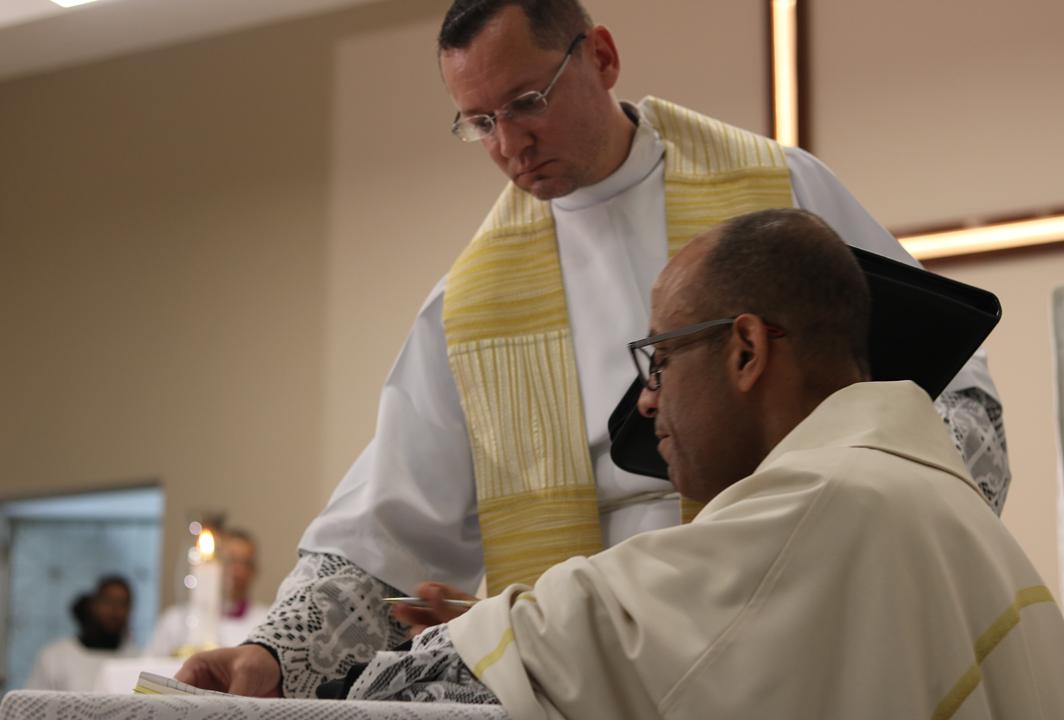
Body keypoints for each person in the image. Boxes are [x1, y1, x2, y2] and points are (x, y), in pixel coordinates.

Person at [178, 0, 1010, 698]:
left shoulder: (779, 195)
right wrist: (271, 655)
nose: (509, 144)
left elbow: (944, 400)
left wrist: (884, 542)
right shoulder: (470, 301)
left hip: (788, 622)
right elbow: (383, 527)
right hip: (591, 668)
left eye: (526, 102)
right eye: (480, 123)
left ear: (602, 58)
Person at [344, 209, 1064, 719]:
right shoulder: (950, 512)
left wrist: (486, 637)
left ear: (746, 351)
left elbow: (439, 684)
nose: (647, 401)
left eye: (659, 360)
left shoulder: (820, 504)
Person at [145, 529, 269, 657]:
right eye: (231, 560)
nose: (237, 570)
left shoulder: (266, 624)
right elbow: (151, 664)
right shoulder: (175, 621)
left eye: (245, 563)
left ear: (254, 570)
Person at [24, 575, 139, 692]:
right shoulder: (55, 657)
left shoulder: (136, 661)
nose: (115, 611)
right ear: (92, 606)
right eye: (108, 602)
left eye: (123, 604)